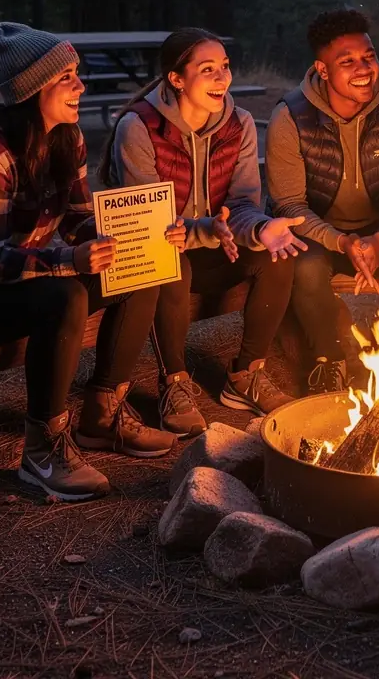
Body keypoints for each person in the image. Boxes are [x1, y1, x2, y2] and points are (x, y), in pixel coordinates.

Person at [0, 23, 176, 503]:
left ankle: (101, 414)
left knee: (142, 266)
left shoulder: (68, 138)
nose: (81, 86)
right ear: (33, 90)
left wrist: (140, 234)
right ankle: (42, 450)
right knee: (65, 294)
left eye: (77, 74)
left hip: (20, 276)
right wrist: (68, 260)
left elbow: (75, 224)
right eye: (67, 77)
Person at [102, 28, 305, 427]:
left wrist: (260, 229)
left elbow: (241, 205)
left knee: (277, 257)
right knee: (174, 264)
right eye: (207, 69)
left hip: (218, 243)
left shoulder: (240, 124)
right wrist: (207, 229)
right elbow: (147, 224)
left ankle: (246, 375)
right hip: (160, 250)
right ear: (176, 80)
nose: (221, 78)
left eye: (225, 67)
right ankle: (174, 384)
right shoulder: (138, 127)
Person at [266, 9, 379, 393]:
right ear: (322, 70)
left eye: (369, 57)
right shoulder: (290, 117)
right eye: (347, 62)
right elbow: (289, 205)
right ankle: (329, 360)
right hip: (317, 233)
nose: (363, 69)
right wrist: (341, 242)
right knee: (304, 265)